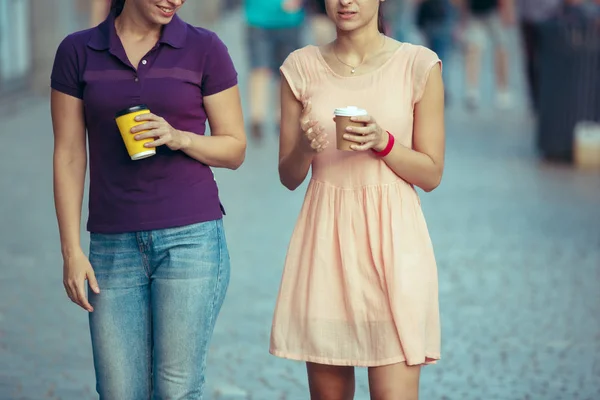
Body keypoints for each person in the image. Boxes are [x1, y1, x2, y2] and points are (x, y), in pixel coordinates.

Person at [50, 0, 246, 398]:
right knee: (119, 391)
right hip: (112, 245)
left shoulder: (205, 48)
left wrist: (179, 137)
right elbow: (69, 153)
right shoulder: (77, 50)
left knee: (176, 390)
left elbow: (235, 149)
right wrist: (71, 250)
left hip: (191, 240)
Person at [270, 0, 445, 398]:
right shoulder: (300, 67)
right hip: (326, 248)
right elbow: (288, 176)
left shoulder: (418, 65)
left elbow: (431, 174)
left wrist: (384, 143)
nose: (345, 1)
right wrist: (304, 148)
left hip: (395, 249)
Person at [244, 0, 305, 141]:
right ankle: (256, 117)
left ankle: (281, 116)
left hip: (290, 20)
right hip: (258, 19)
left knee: (285, 73)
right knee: (259, 69)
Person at [457, 0, 515, 109]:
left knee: (501, 49)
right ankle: (471, 90)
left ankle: (503, 89)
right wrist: (463, 18)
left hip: (495, 11)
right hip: (475, 12)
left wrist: (508, 10)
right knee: (473, 49)